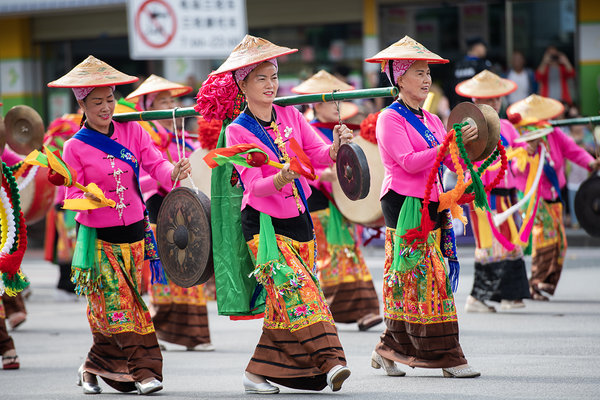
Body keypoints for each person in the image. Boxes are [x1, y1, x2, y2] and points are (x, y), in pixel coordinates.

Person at [203, 35, 352, 394]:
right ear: (243, 83)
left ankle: (257, 372)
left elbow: (317, 155)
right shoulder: (238, 130)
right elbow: (253, 187)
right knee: (299, 293)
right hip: (264, 226)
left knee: (284, 302)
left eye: (273, 77)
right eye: (261, 79)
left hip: (299, 220)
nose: (271, 85)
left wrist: (335, 148)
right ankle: (331, 361)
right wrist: (281, 176)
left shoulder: (290, 115)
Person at [49, 55, 191, 395]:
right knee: (121, 306)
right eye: (97, 102)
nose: (106, 107)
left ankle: (90, 367)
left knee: (114, 307)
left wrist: (173, 172)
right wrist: (90, 198)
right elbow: (70, 195)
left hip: (135, 234)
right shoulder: (74, 146)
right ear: (82, 104)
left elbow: (156, 165)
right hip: (99, 240)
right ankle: (145, 372)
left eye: (110, 99)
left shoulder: (133, 130)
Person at [365, 35, 481, 378]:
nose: (427, 78)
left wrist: (466, 145)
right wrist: (450, 143)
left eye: (428, 71)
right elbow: (410, 162)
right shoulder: (390, 118)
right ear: (399, 78)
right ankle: (448, 357)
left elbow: (445, 159)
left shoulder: (431, 119)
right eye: (418, 72)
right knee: (428, 277)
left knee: (409, 280)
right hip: (403, 204)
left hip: (431, 202)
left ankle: (387, 349)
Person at [125, 75, 214, 352]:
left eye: (171, 101)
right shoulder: (143, 138)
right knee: (166, 269)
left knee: (193, 263)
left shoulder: (186, 138)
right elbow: (138, 179)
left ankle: (194, 335)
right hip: (158, 208)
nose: (169, 106)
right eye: (162, 102)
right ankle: (160, 328)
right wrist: (169, 175)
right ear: (149, 106)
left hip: (187, 209)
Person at [291, 70, 382, 331]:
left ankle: (364, 310)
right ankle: (326, 309)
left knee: (349, 254)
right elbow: (299, 164)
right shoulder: (305, 130)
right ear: (316, 104)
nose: (336, 107)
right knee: (327, 258)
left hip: (342, 203)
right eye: (331, 102)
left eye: (339, 102)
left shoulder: (343, 131)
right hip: (318, 202)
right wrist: (323, 174)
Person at [507, 94, 600, 301]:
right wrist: (528, 152)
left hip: (554, 194)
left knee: (560, 243)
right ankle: (534, 284)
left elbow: (573, 151)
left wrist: (590, 163)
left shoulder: (555, 134)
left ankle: (545, 283)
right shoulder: (522, 136)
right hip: (533, 197)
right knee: (543, 238)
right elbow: (515, 167)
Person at [455, 70, 531, 312]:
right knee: (489, 246)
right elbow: (468, 163)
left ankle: (509, 295)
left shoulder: (508, 127)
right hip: (485, 197)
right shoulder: (470, 128)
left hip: (507, 196)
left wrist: (527, 154)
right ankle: (477, 298)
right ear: (476, 102)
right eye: (488, 99)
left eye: (497, 98)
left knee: (510, 243)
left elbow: (519, 159)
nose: (494, 103)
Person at [450, 36, 492, 108]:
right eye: (483, 46)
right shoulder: (482, 64)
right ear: (476, 47)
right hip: (478, 104)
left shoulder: (458, 64)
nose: (485, 49)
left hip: (459, 105)